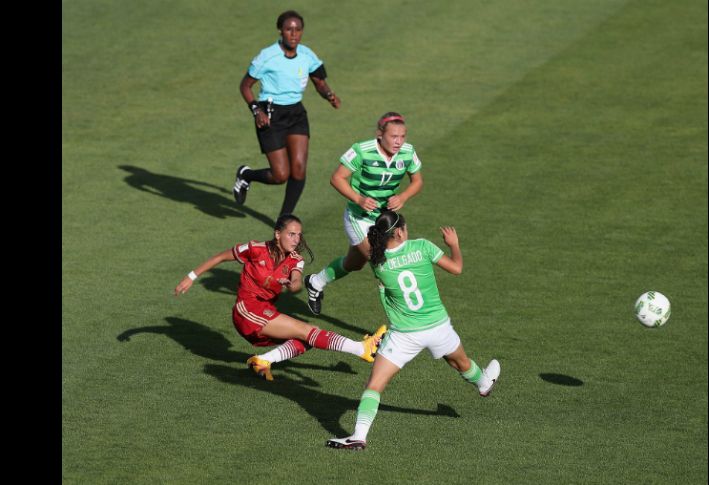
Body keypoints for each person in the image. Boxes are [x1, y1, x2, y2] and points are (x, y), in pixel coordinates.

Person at [326, 210, 500, 450]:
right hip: (438, 327)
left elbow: (385, 291)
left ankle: (359, 435)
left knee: (375, 385)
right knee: (459, 362)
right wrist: (454, 245)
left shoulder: (379, 262)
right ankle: (483, 383)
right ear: (399, 231)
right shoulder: (423, 247)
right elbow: (457, 268)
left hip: (404, 335)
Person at [174, 214, 386, 381]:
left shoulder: (296, 260)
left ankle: (263, 361)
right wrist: (191, 277)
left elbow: (295, 282)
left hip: (265, 312)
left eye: (298, 235)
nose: (296, 240)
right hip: (247, 311)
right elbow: (221, 257)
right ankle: (361, 348)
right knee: (308, 331)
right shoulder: (255, 249)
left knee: (306, 339)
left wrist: (291, 284)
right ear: (277, 234)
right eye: (291, 234)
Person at [304, 112, 423, 315]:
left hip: (384, 220)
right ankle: (402, 318)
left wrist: (402, 197)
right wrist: (358, 199)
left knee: (354, 264)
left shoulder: (408, 152)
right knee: (382, 264)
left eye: (403, 136)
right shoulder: (362, 150)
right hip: (358, 218)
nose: (399, 141)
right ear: (380, 134)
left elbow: (417, 181)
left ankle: (315, 282)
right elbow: (337, 178)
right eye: (394, 136)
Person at [232, 10, 341, 219]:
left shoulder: (308, 55)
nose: (294, 34)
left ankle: (283, 219)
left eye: (298, 30)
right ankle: (246, 175)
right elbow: (245, 86)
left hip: (296, 113)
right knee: (281, 175)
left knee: (299, 170)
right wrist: (256, 110)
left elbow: (319, 81)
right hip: (270, 114)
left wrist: (329, 95)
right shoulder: (267, 56)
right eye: (289, 29)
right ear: (280, 30)